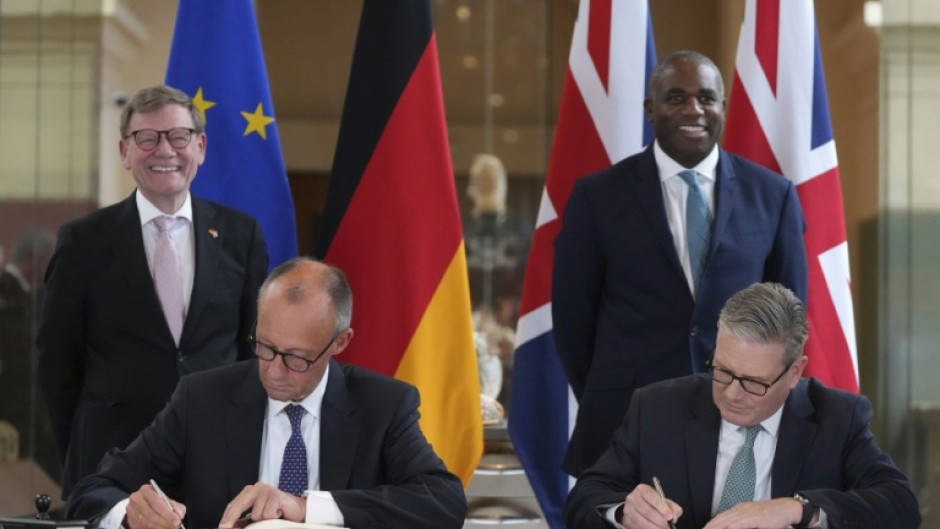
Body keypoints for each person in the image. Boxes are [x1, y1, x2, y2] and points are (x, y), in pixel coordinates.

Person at [552, 50, 809, 476]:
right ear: (650, 110)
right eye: (676, 98)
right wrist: (609, 387)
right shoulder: (597, 196)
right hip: (623, 422)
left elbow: (790, 317)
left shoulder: (773, 195)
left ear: (722, 108)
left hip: (742, 418)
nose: (693, 110)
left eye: (706, 98)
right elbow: (573, 320)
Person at [65, 257, 467, 529]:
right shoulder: (201, 398)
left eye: (296, 358)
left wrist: (305, 508)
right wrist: (129, 513)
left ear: (340, 342)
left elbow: (443, 501)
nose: (273, 372)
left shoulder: (383, 405)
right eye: (264, 346)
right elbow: (92, 491)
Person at [37, 85, 269, 498]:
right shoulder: (82, 241)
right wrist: (80, 452)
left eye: (178, 136)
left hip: (217, 456)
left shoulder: (241, 235)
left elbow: (252, 350)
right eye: (147, 138)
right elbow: (57, 363)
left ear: (200, 146)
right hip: (110, 461)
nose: (165, 150)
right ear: (125, 152)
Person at [565, 283, 920, 529]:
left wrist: (796, 510)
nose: (732, 393)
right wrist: (625, 512)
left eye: (753, 382)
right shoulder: (657, 408)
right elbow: (584, 497)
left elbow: (900, 506)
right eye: (722, 371)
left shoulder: (837, 418)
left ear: (795, 371)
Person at [0, 231, 59, 480]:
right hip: (15, 411)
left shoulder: (28, 297)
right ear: (33, 259)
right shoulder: (7, 291)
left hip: (30, 411)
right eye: (49, 261)